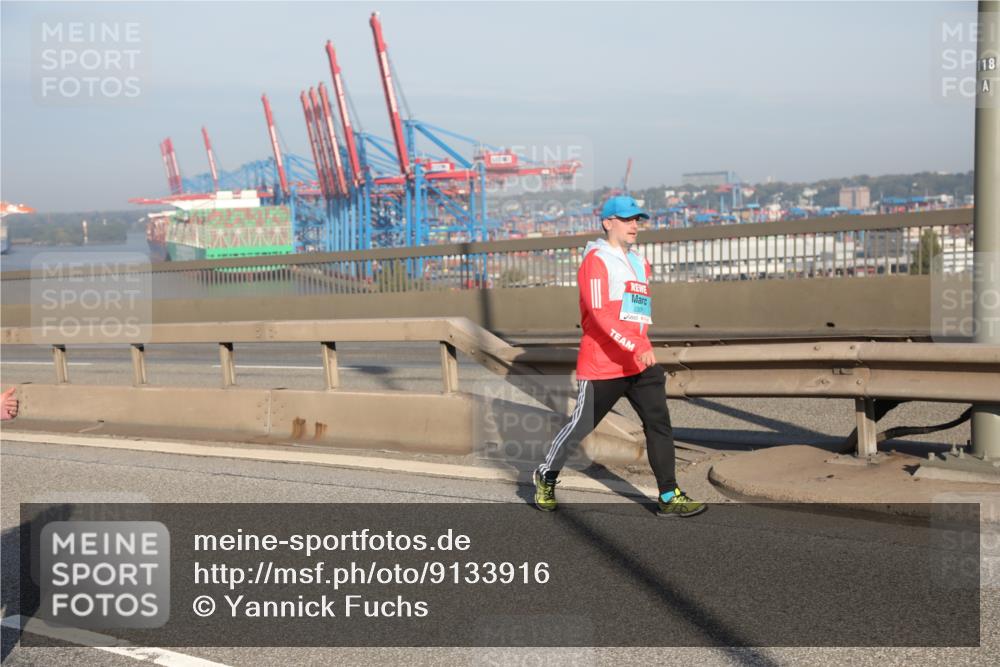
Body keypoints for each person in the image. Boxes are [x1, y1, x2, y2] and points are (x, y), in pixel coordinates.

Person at [533, 195, 705, 517]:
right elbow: (599, 315)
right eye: (627, 220)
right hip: (603, 364)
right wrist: (636, 345)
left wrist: (639, 346)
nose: (634, 225)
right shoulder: (595, 261)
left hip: (639, 363)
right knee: (580, 427)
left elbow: (634, 312)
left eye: (637, 220)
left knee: (659, 425)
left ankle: (668, 495)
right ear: (607, 222)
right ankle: (547, 474)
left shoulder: (637, 261)